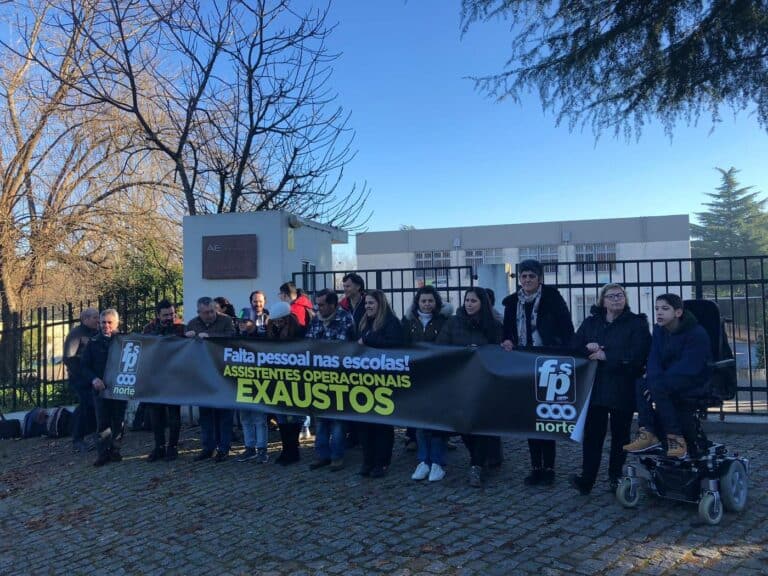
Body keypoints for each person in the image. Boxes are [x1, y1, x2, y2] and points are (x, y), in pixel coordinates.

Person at [568, 284, 651, 495]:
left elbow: (639, 355)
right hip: (595, 388)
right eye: (611, 296)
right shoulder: (591, 323)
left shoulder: (637, 324)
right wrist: (587, 348)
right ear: (602, 301)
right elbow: (574, 345)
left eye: (620, 295)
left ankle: (615, 476)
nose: (616, 299)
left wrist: (609, 357)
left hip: (622, 387)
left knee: (620, 436)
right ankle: (587, 479)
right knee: (593, 436)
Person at [501, 259, 574, 487]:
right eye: (523, 276)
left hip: (548, 360)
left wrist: (565, 351)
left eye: (532, 276)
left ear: (539, 278)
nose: (527, 280)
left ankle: (549, 467)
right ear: (519, 279)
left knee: (547, 415)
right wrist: (507, 341)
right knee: (531, 417)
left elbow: (566, 327)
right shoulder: (512, 302)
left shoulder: (552, 298)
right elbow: (507, 330)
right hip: (524, 361)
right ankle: (535, 467)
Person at [624, 294, 712, 460]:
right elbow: (654, 358)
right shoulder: (659, 330)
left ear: (678, 312)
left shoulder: (696, 333)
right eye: (657, 309)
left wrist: (658, 382)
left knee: (658, 387)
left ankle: (675, 438)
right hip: (667, 378)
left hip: (693, 378)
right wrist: (653, 380)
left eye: (665, 309)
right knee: (641, 383)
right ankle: (647, 432)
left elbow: (690, 365)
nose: (659, 313)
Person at [437, 287, 503, 487]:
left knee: (480, 424)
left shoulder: (493, 325)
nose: (469, 304)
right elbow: (441, 347)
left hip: (483, 382)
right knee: (464, 424)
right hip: (459, 381)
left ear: (482, 303)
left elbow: (499, 351)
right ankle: (479, 457)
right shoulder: (453, 322)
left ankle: (476, 465)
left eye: (473, 301)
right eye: (467, 300)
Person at [402, 286, 450, 482]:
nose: (427, 304)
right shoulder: (408, 322)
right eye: (424, 301)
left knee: (437, 421)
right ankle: (424, 460)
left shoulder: (444, 321)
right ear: (418, 302)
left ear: (436, 303)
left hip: (439, 377)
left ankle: (438, 462)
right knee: (420, 422)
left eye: (430, 301)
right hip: (417, 377)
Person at [306, 288, 356, 472]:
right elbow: (308, 343)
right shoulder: (316, 320)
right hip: (318, 377)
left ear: (332, 305)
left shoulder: (345, 318)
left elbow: (346, 347)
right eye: (317, 304)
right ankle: (322, 455)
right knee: (321, 420)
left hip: (339, 377)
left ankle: (337, 456)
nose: (318, 308)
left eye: (321, 304)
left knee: (337, 420)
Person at [357, 290, 403, 478]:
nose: (368, 306)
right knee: (365, 424)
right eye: (366, 303)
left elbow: (393, 343)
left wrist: (368, 339)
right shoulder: (364, 322)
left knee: (382, 425)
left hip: (384, 380)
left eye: (371, 303)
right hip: (364, 379)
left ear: (380, 304)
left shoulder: (391, 322)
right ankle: (368, 460)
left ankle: (382, 462)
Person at [186, 296, 236, 462]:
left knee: (224, 412)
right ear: (198, 312)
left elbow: (232, 338)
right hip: (203, 373)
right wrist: (188, 337)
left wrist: (210, 336)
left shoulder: (226, 321)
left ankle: (224, 447)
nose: (209, 315)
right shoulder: (193, 323)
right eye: (205, 312)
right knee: (205, 413)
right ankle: (208, 447)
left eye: (212, 311)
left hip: (222, 372)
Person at [81, 309, 127, 467]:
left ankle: (115, 450)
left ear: (116, 323)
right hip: (101, 389)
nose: (106, 325)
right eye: (103, 322)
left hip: (120, 387)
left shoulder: (124, 341)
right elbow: (84, 366)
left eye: (109, 322)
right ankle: (103, 453)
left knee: (118, 420)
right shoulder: (93, 343)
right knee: (102, 422)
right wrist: (94, 379)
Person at [143, 299, 186, 463]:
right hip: (154, 377)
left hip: (174, 377)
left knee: (173, 413)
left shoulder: (181, 328)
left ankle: (172, 447)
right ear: (158, 315)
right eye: (166, 315)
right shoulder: (149, 329)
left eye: (172, 314)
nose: (169, 318)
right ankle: (159, 446)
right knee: (156, 414)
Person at [264, 301, 305, 465]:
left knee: (294, 416)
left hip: (294, 378)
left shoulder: (298, 331)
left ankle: (293, 449)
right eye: (275, 321)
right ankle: (286, 449)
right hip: (277, 378)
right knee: (281, 416)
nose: (277, 324)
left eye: (280, 321)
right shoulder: (272, 331)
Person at [63, 307, 100, 454]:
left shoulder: (96, 332)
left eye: (98, 317)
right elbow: (69, 358)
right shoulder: (76, 334)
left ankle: (88, 435)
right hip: (80, 378)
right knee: (86, 405)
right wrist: (83, 376)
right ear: (85, 319)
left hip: (93, 377)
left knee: (89, 406)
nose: (98, 320)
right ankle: (78, 439)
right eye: (95, 317)